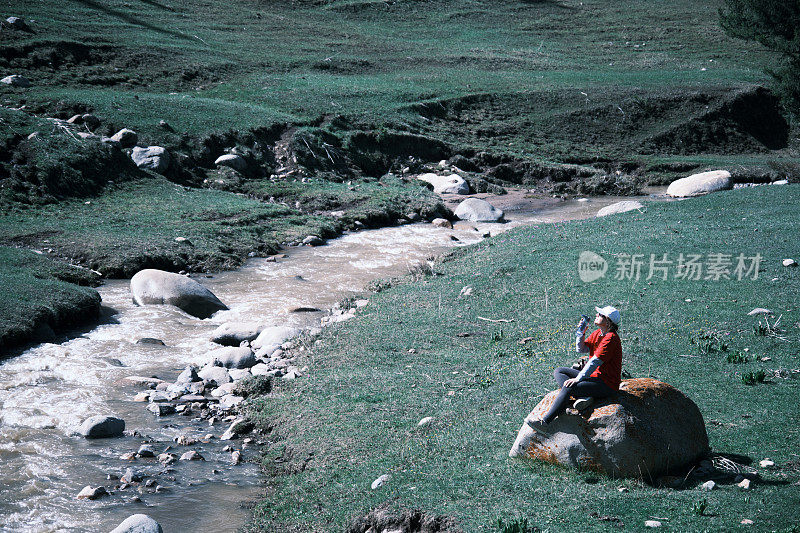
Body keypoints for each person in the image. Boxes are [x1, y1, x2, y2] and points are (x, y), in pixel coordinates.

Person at [528, 305, 622, 435]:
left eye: (600, 315)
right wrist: (581, 332)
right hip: (594, 377)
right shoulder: (598, 333)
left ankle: (545, 423)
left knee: (569, 387)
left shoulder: (611, 338)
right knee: (559, 371)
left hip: (606, 383)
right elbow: (581, 349)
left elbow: (594, 362)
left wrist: (577, 379)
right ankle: (582, 395)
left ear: (608, 321)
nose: (596, 315)